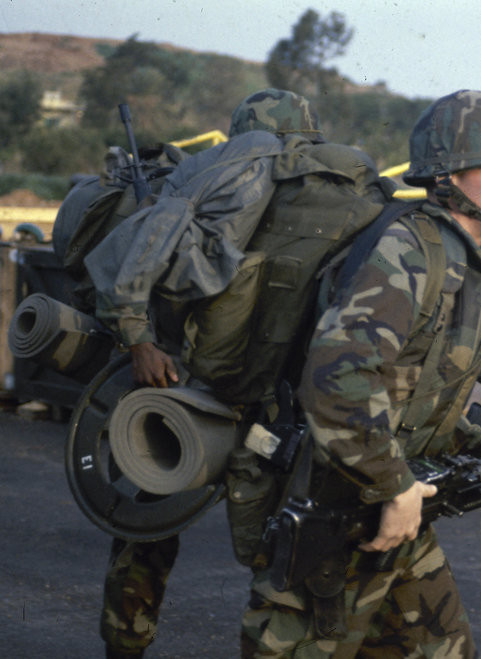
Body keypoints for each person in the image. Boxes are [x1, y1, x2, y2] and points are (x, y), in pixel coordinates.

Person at [239, 89, 481, 658]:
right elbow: (335, 382)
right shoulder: (409, 250)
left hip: (395, 512)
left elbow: (425, 402)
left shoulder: (467, 267)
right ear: (450, 175)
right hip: (338, 518)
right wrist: (395, 486)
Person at [100, 88, 323, 659]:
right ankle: (125, 645)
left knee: (267, 544)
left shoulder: (303, 197)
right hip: (185, 383)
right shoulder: (235, 177)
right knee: (148, 532)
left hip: (260, 391)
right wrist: (140, 341)